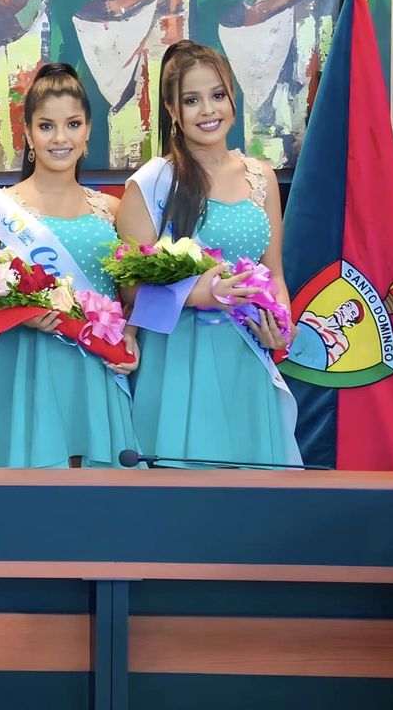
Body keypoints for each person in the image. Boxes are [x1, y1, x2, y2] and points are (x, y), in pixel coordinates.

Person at [119, 42, 299, 467]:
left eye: (217, 95)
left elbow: (273, 272)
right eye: (191, 100)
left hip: (247, 353)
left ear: (233, 96)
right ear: (172, 109)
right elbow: (129, 290)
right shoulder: (154, 182)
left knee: (253, 486)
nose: (208, 110)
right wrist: (204, 293)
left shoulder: (261, 177)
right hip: (178, 357)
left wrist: (281, 327)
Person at [0, 63, 139, 468]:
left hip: (98, 366)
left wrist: (130, 334)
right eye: (46, 126)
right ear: (27, 134)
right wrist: (19, 315)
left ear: (88, 131)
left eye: (73, 124)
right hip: (28, 366)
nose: (61, 138)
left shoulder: (114, 211)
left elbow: (132, 298)